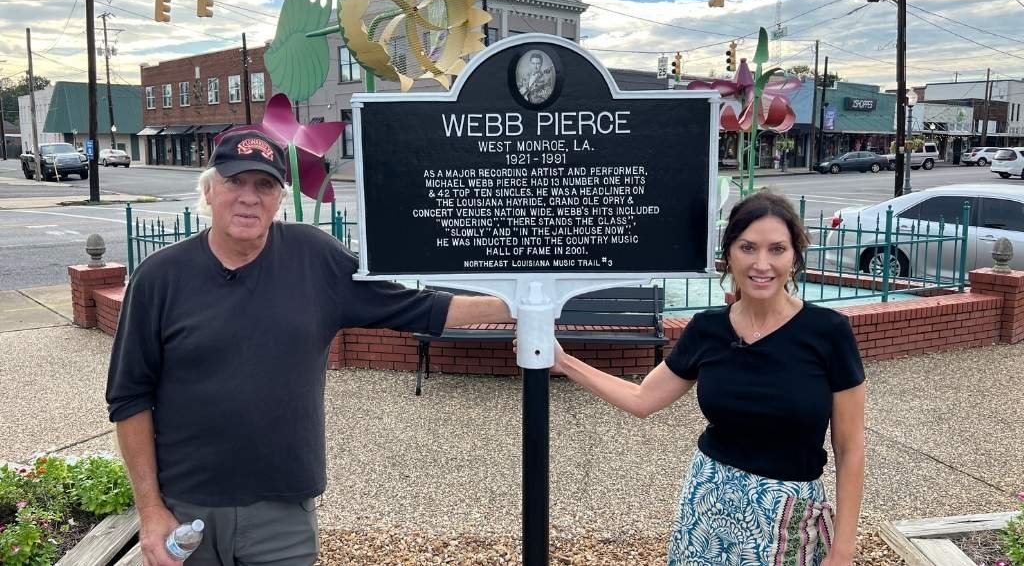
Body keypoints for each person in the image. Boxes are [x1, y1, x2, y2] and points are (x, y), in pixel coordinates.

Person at [106, 129, 512, 566]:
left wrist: (519, 307)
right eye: (234, 182)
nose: (249, 198)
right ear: (208, 190)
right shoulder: (159, 277)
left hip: (283, 510)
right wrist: (150, 512)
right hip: (186, 507)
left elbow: (416, 308)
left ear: (280, 198)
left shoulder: (314, 257)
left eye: (265, 185)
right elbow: (130, 397)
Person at [552, 190, 865, 565]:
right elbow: (642, 400)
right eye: (748, 248)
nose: (761, 264)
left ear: (795, 256)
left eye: (777, 249)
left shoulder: (828, 333)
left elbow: (850, 449)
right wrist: (566, 363)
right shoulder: (707, 329)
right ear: (728, 253)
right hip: (708, 500)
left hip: (786, 510)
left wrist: (843, 549)